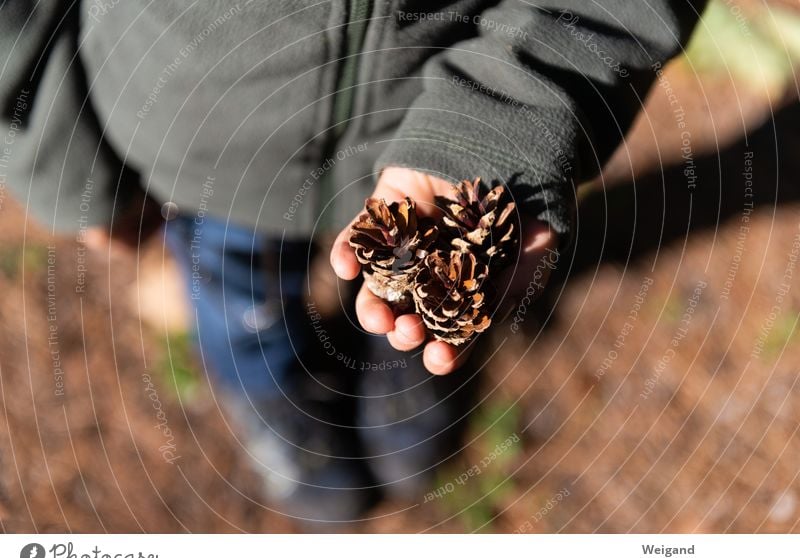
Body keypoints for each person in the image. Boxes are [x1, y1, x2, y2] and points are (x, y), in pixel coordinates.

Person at [0, 0, 704, 527]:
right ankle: (274, 397)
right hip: (196, 146)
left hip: (439, 134)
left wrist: (506, 118)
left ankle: (409, 373)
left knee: (403, 325)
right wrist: (53, 148)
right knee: (233, 282)